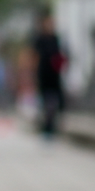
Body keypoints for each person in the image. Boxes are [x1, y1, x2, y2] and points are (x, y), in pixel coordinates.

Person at [32, 11, 67, 139]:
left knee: (56, 100)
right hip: (43, 74)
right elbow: (34, 57)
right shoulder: (39, 39)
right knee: (45, 101)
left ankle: (53, 126)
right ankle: (46, 127)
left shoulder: (56, 38)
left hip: (55, 74)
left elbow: (60, 54)